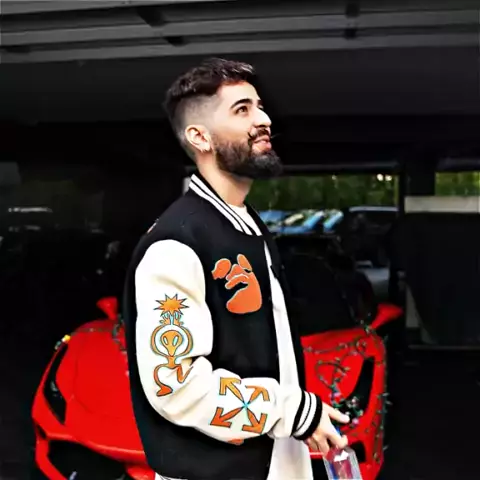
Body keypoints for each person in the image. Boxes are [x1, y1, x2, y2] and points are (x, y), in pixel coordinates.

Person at [123, 57, 350, 480]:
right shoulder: (177, 242)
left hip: (273, 460)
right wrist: (292, 411)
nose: (264, 119)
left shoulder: (245, 223)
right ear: (199, 136)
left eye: (259, 106)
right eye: (242, 110)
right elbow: (175, 385)